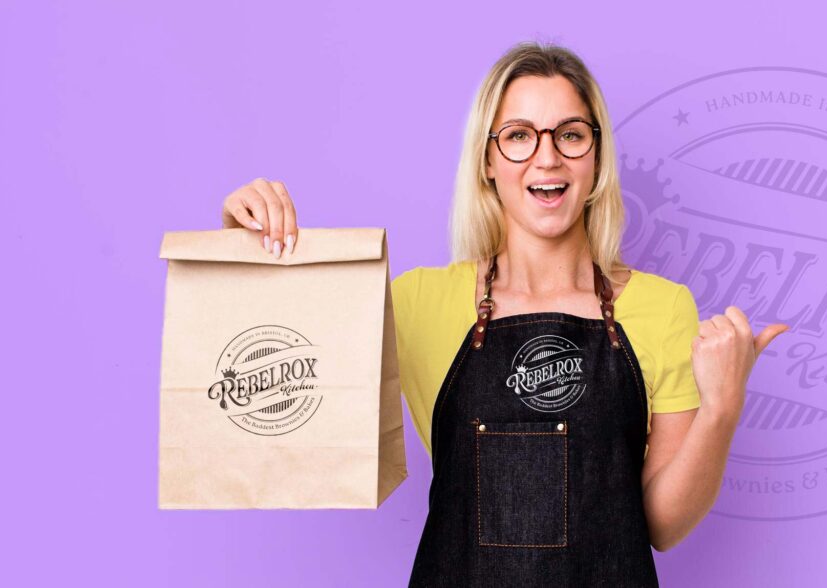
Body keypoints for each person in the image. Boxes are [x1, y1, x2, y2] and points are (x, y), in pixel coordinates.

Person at [220, 41, 788, 587]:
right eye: (519, 135)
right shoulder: (418, 303)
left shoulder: (664, 308)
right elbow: (270, 373)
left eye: (570, 134)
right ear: (488, 160)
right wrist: (245, 245)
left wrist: (722, 408)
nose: (548, 157)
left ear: (596, 158)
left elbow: (662, 526)